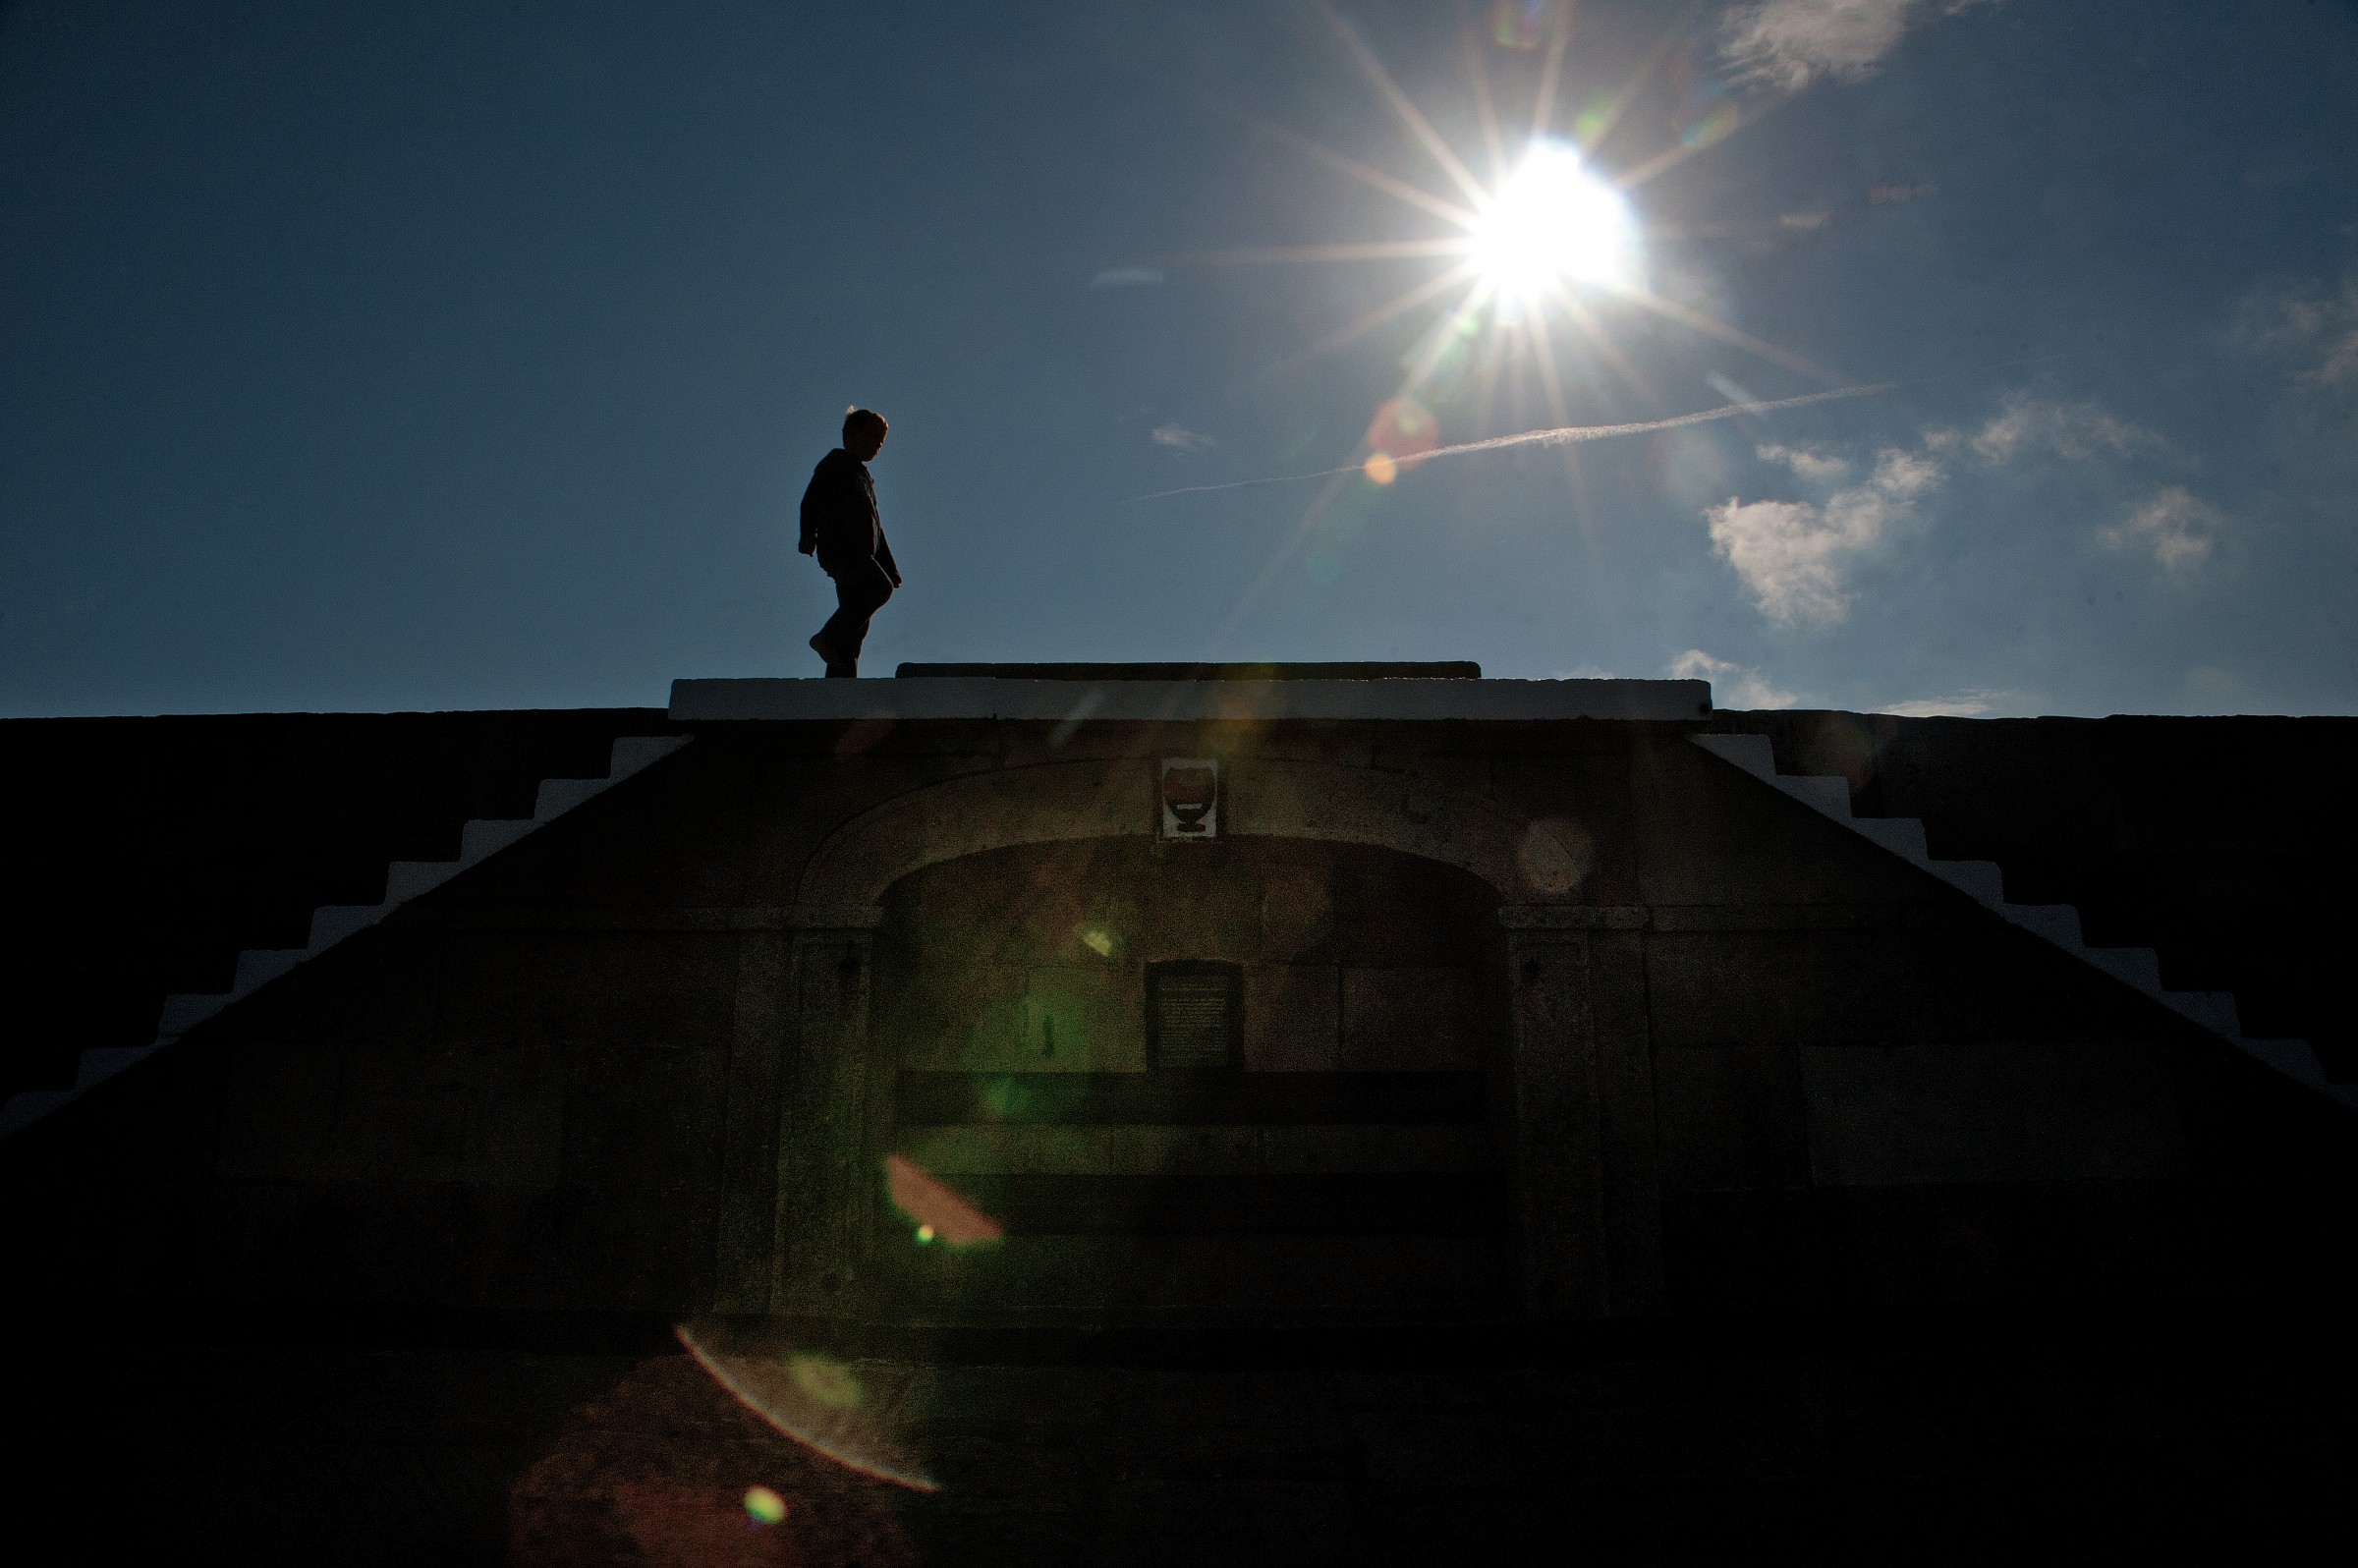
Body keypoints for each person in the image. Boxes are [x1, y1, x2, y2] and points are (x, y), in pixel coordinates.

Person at [798, 407, 902, 677]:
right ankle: (827, 638)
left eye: (882, 440)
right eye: (873, 436)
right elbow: (813, 497)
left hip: (861, 554)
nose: (878, 444)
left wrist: (889, 565)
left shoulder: (865, 478)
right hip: (842, 548)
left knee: (857, 623)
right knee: (880, 588)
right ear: (851, 435)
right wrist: (807, 533)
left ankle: (840, 681)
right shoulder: (836, 463)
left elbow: (877, 527)